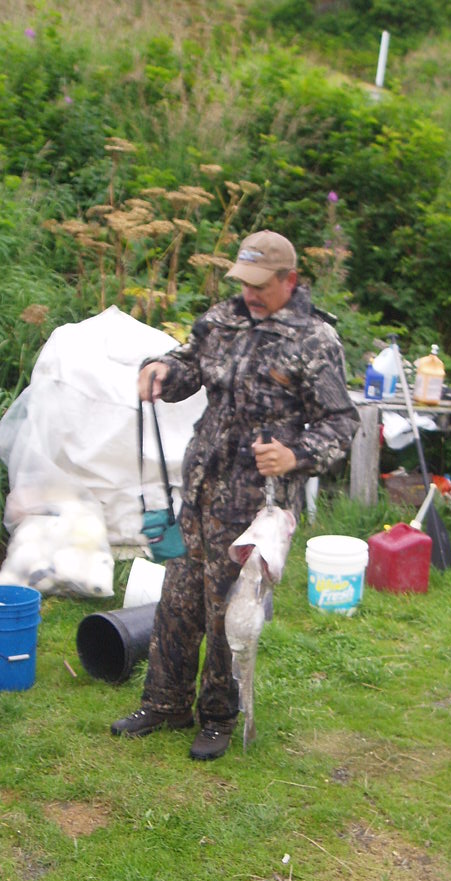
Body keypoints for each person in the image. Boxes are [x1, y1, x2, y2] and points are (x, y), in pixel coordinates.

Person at [111, 230, 360, 760]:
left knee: (231, 610)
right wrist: (161, 370)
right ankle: (165, 702)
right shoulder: (222, 320)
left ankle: (219, 716)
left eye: (260, 285)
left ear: (290, 280)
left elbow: (341, 423)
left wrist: (296, 455)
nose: (249, 294)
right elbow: (188, 365)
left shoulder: (315, 340)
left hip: (256, 503)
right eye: (244, 283)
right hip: (202, 487)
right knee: (178, 599)